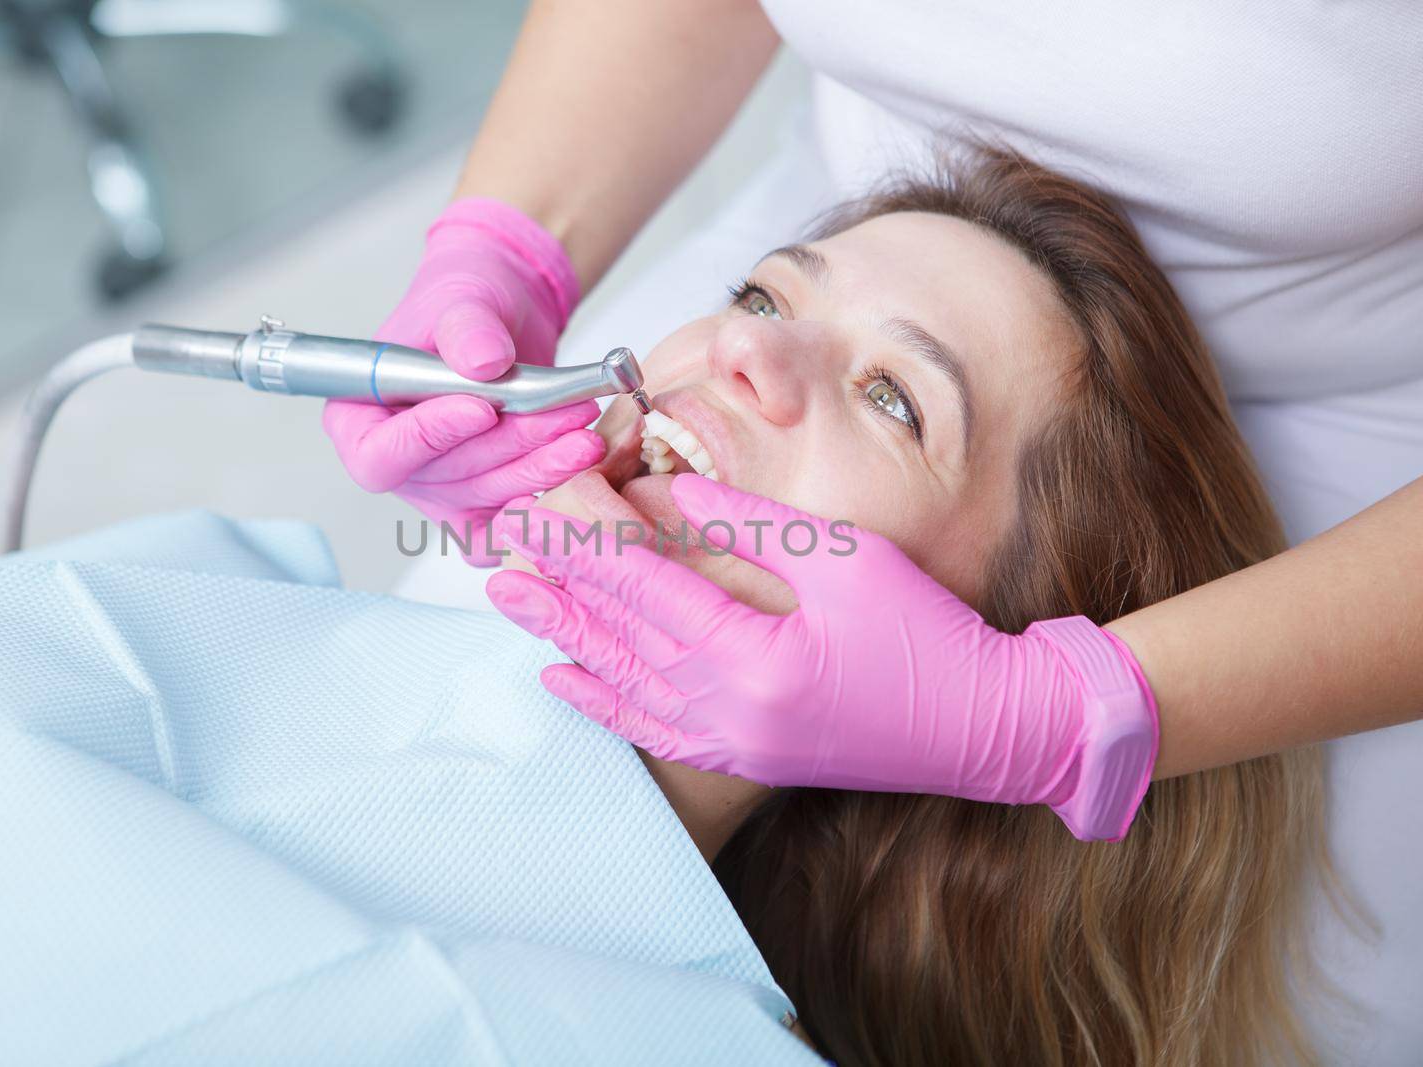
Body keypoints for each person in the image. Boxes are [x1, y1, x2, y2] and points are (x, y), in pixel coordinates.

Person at [320, 3, 1421, 1059]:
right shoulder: (240, 654)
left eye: (893, 398)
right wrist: (505, 251)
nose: (745, 352)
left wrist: (1041, 714)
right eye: (754, 299)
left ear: (991, 616)